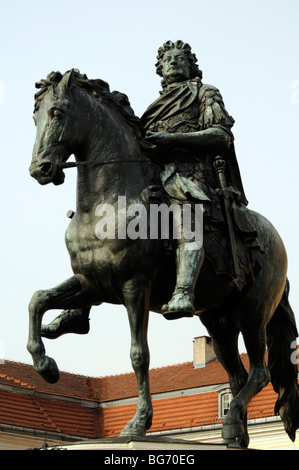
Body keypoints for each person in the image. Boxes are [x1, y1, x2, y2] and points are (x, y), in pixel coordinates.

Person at [141, 40, 247, 319]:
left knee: (186, 213)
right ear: (160, 69)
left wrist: (171, 139)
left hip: (192, 175)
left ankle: (184, 291)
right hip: (155, 177)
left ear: (191, 67)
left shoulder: (205, 93)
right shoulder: (152, 109)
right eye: (167, 60)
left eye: (180, 58)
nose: (173, 62)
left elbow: (221, 136)